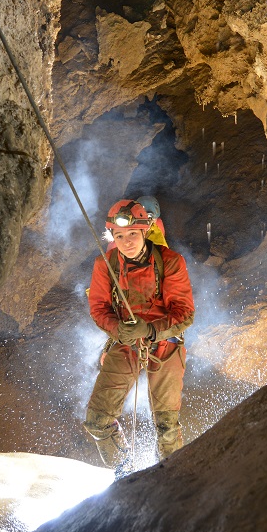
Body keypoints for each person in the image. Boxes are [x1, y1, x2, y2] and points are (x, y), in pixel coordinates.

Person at [83, 198, 195, 472]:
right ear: (112, 236)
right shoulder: (105, 264)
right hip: (125, 343)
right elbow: (99, 308)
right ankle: (126, 473)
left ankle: (171, 480)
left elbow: (185, 313)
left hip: (164, 344)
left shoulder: (169, 262)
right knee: (97, 420)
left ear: (145, 231)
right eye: (119, 235)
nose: (127, 241)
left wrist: (152, 329)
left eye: (133, 234)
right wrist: (116, 328)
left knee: (166, 426)